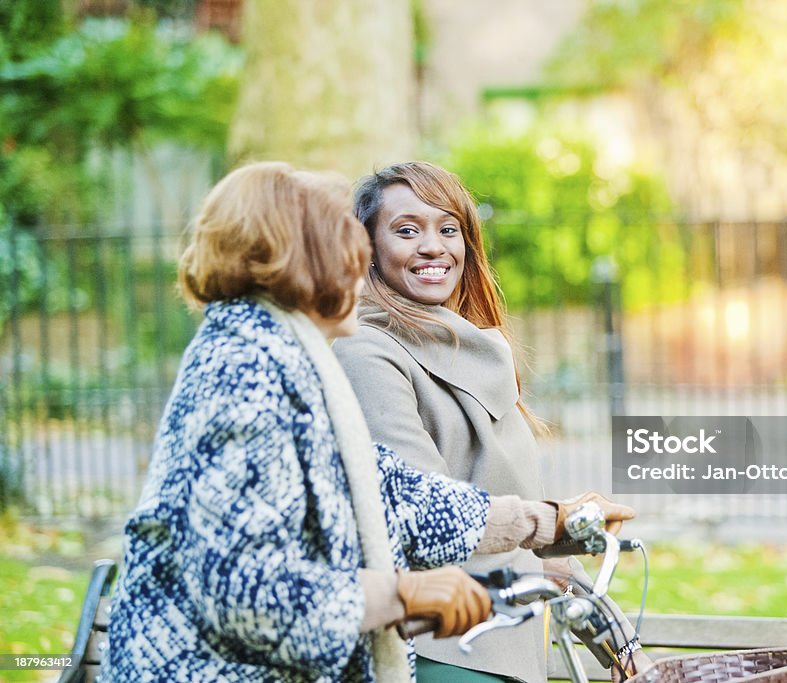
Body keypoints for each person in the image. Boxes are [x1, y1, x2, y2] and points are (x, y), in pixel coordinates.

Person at [99, 161, 635, 682]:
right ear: (302, 261)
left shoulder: (286, 360)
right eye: (351, 249)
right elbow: (245, 591)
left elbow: (395, 495)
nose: (365, 271)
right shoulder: (246, 370)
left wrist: (549, 520)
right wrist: (400, 595)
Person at [333, 161, 651, 682]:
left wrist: (621, 644)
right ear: (367, 249)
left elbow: (521, 540)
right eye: (407, 230)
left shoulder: (476, 346)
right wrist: (554, 521)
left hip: (510, 643)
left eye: (449, 229)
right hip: (442, 650)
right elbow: (428, 514)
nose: (433, 246)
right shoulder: (367, 354)